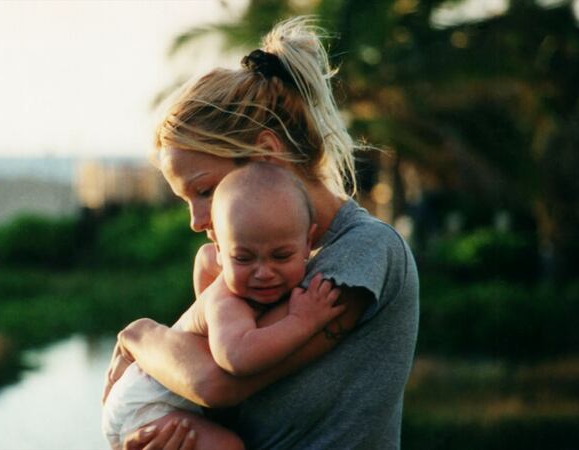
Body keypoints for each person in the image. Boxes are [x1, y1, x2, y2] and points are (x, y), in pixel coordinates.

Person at [106, 16, 419, 449]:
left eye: (206, 190)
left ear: (267, 155)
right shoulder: (249, 267)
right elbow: (216, 408)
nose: (197, 221)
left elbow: (216, 382)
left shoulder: (366, 251)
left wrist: (140, 335)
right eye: (187, 201)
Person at [102, 163, 345, 449]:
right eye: (243, 259)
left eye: (281, 256)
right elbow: (238, 357)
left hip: (157, 389)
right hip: (145, 405)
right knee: (228, 446)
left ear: (308, 243)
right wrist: (303, 322)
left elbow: (204, 259)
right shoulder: (228, 301)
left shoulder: (225, 267)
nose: (263, 272)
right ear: (221, 251)